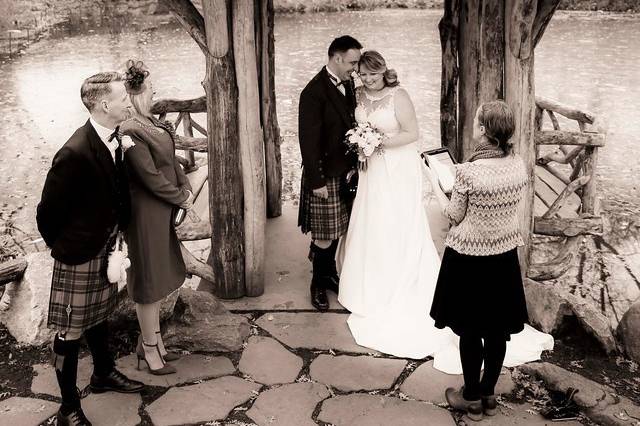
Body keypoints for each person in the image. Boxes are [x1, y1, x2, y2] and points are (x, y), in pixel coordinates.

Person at [36, 72, 144, 426]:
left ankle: (102, 373)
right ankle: (68, 408)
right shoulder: (74, 152)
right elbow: (47, 214)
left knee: (101, 315)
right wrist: (68, 249)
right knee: (69, 331)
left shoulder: (115, 137)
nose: (129, 102)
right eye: (122, 97)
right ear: (104, 104)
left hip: (107, 244)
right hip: (79, 253)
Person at [428, 100, 539, 421]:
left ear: (483, 130)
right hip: (503, 259)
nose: (474, 126)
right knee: (496, 330)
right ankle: (489, 393)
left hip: (469, 261)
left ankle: (471, 397)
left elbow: (453, 215)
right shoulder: (517, 164)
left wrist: (435, 184)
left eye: (477, 122)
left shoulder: (467, 173)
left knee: (470, 330)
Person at [337, 50, 448, 358]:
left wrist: (376, 142)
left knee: (395, 220)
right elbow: (355, 127)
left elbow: (413, 134)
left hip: (397, 167)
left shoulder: (399, 95)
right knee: (371, 219)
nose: (369, 80)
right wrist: (361, 144)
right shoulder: (357, 93)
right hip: (370, 169)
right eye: (363, 74)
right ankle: (367, 284)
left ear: (383, 71)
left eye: (374, 74)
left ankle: (402, 280)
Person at [119, 60, 193, 375]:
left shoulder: (150, 121)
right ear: (137, 93)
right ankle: (149, 350)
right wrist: (181, 199)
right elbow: (148, 176)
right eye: (151, 89)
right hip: (144, 213)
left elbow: (169, 160)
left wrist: (184, 186)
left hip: (161, 208)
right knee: (148, 282)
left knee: (159, 276)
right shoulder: (130, 128)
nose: (155, 92)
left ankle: (155, 342)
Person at [298, 35, 362, 311]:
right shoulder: (313, 93)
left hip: (346, 171)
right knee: (324, 234)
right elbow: (307, 142)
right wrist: (317, 181)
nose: (355, 68)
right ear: (336, 58)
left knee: (339, 229)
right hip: (324, 174)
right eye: (352, 62)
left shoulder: (348, 84)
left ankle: (329, 273)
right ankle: (318, 284)